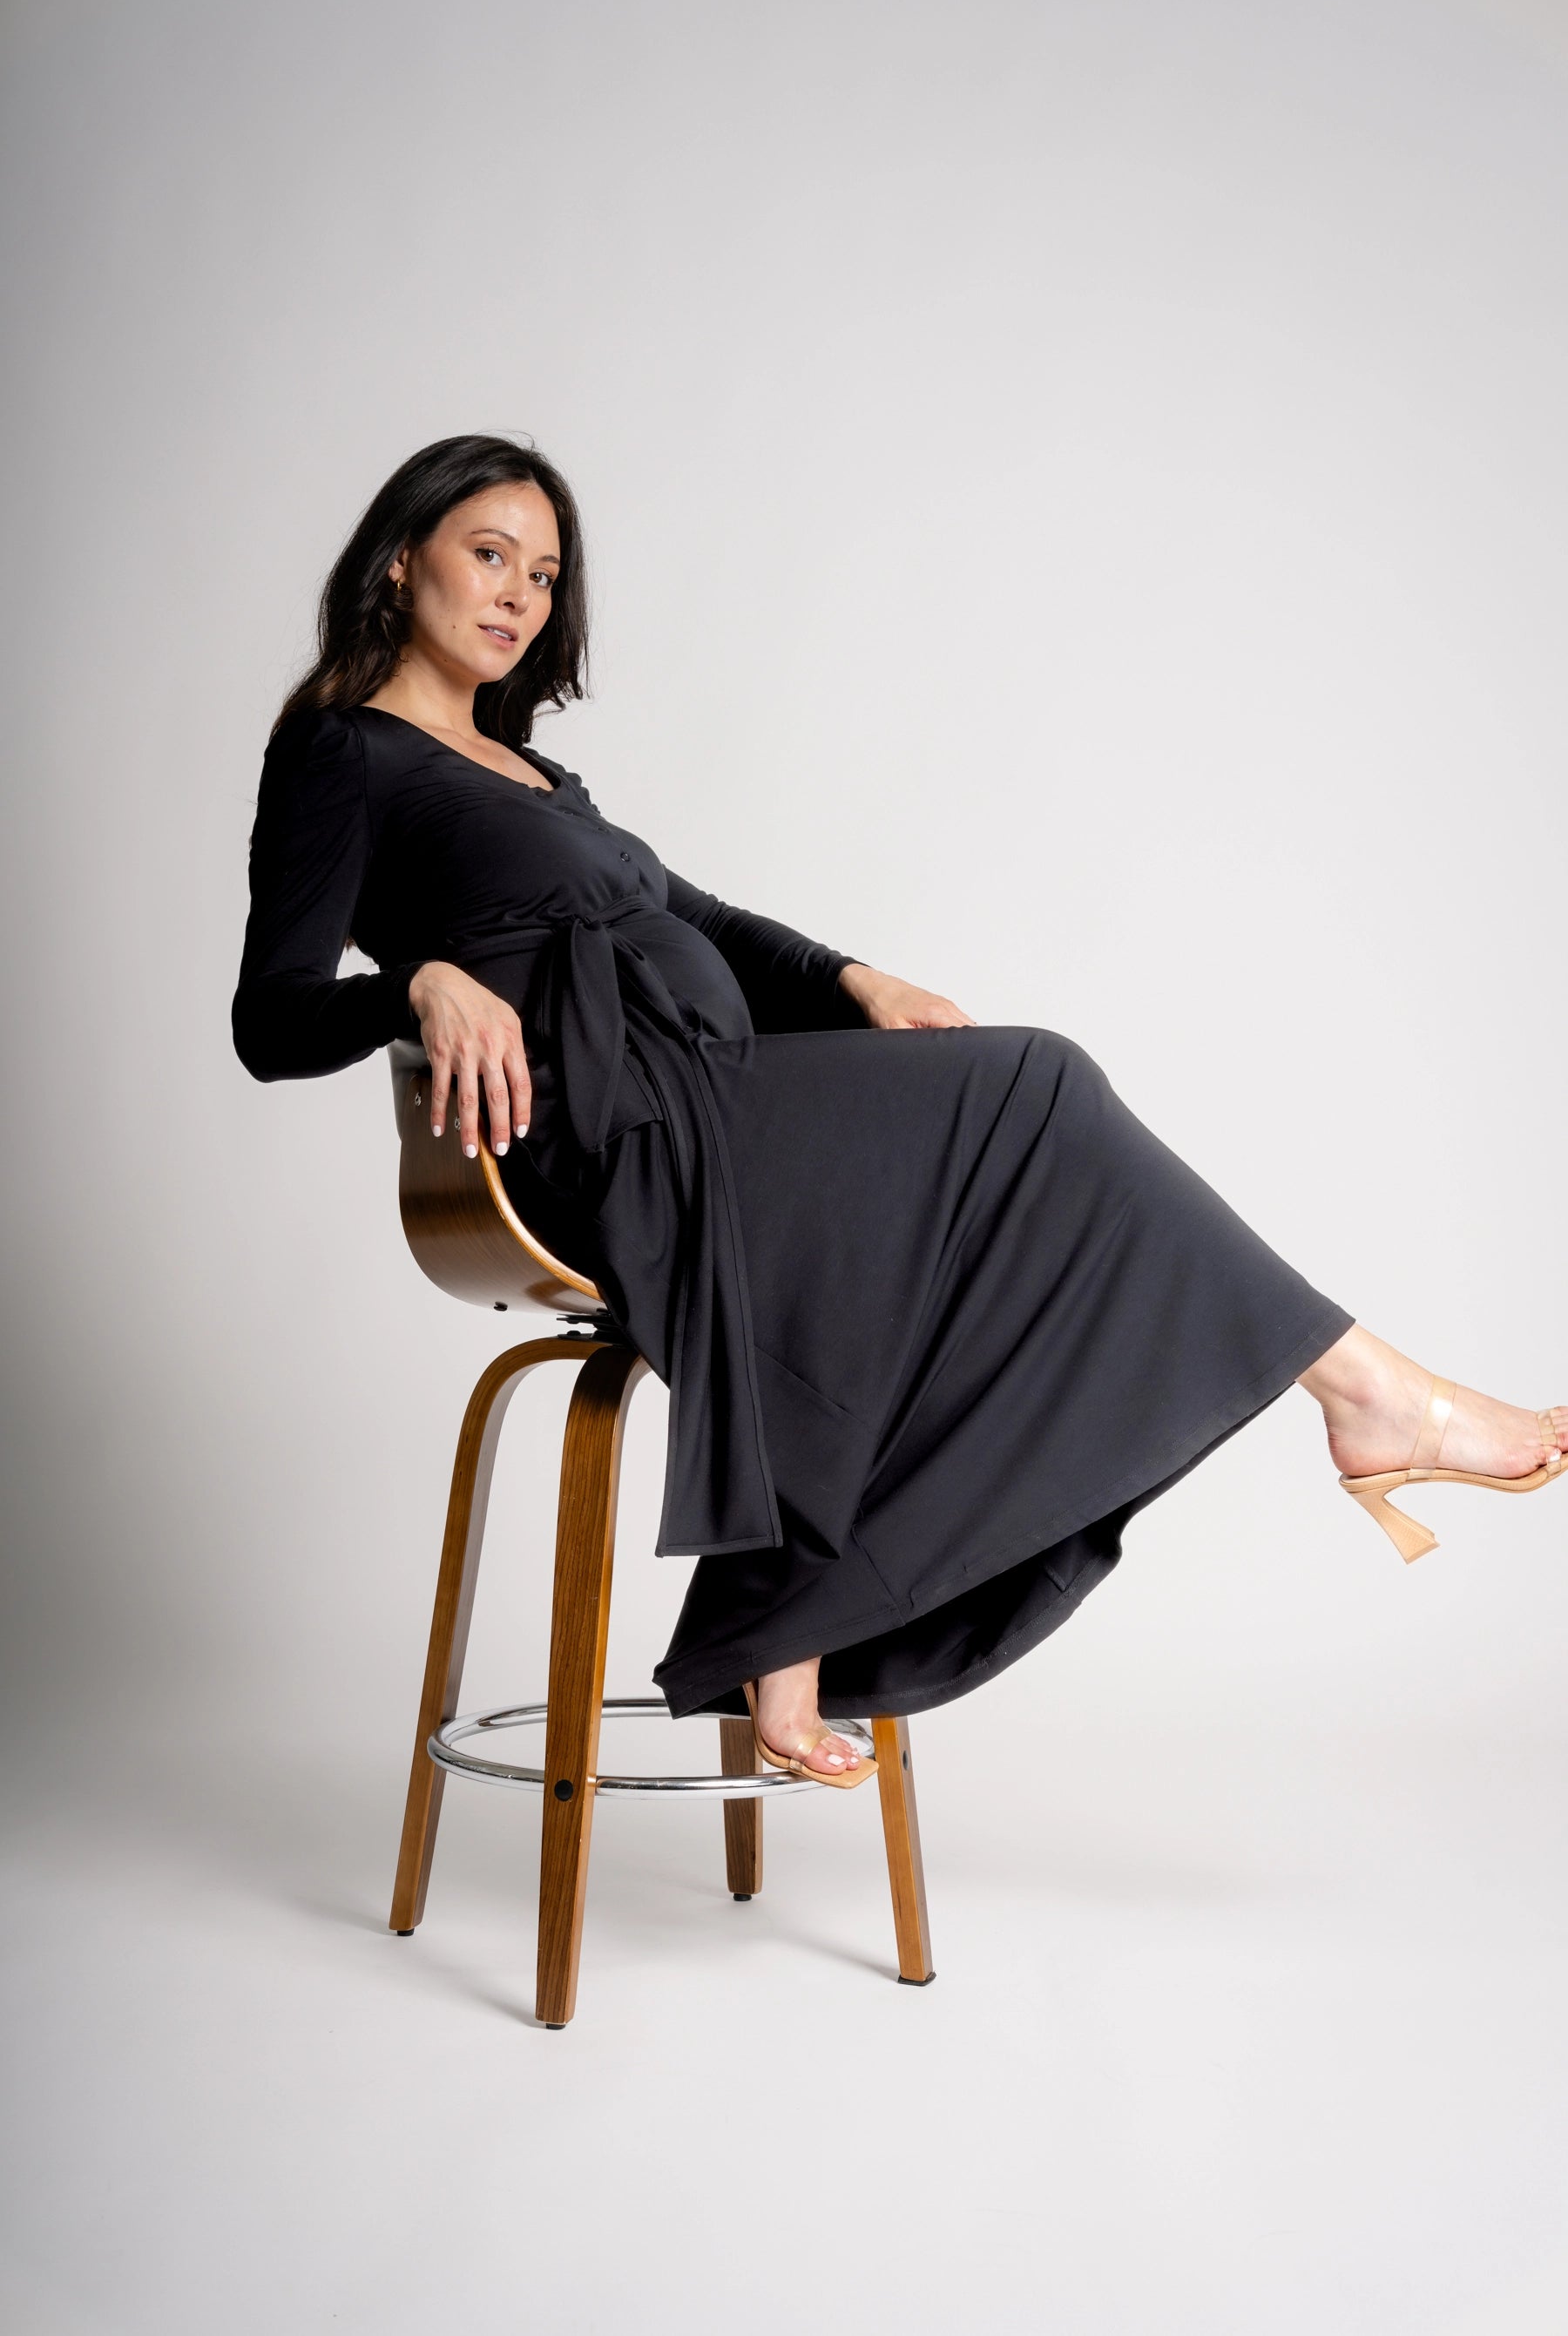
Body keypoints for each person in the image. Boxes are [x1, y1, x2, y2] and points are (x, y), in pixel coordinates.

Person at [233, 433, 1566, 1786]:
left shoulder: (534, 775)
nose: (519, 595)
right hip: (607, 1141)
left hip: (708, 1103)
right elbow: (270, 1021)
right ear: (403, 561)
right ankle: (1375, 1395)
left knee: (1011, 1153)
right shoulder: (343, 752)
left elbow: (695, 919)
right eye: (489, 555)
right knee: (1037, 1087)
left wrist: (854, 980)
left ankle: (801, 1629)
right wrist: (418, 984)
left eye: (545, 572)